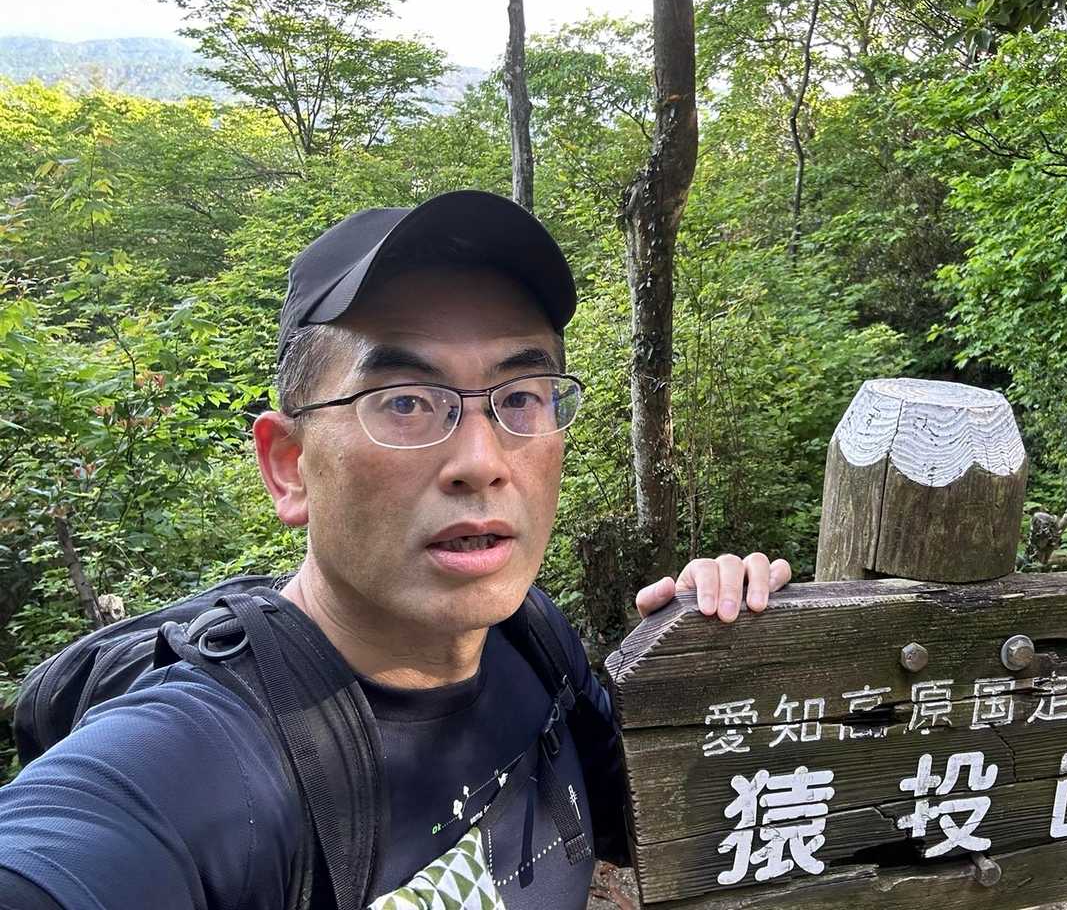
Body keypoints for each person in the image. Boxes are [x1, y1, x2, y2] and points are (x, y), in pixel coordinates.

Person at [0, 190, 792, 910]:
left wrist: (719, 654)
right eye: (406, 402)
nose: (481, 461)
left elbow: (646, 818)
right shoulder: (203, 763)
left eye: (520, 397)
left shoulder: (532, 638)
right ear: (289, 467)